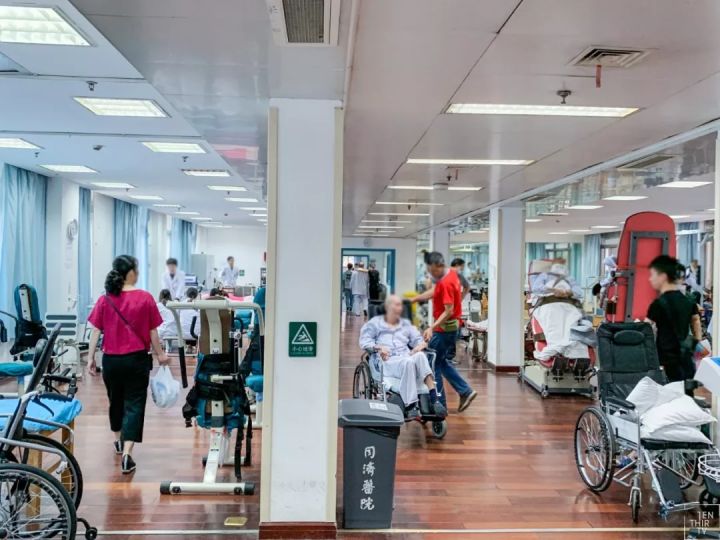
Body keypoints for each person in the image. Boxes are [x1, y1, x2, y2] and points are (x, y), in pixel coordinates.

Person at [87, 255, 170, 474]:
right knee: (134, 404)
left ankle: (117, 440)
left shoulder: (105, 299)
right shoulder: (145, 298)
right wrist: (161, 354)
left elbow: (95, 331)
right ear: (131, 272)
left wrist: (90, 358)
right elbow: (153, 332)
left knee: (115, 401)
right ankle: (127, 454)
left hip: (111, 361)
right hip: (136, 360)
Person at [359, 295, 446, 418]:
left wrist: (421, 344)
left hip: (405, 356)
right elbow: (364, 342)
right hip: (387, 361)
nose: (400, 308)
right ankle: (411, 404)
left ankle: (434, 399)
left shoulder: (405, 324)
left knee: (420, 356)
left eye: (400, 305)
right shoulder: (374, 324)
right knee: (408, 362)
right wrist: (378, 347)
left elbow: (417, 340)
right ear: (388, 307)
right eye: (396, 305)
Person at [411, 251, 477, 412]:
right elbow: (435, 291)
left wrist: (431, 327)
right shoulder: (451, 274)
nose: (431, 274)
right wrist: (415, 298)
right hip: (452, 328)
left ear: (439, 266)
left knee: (433, 364)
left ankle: (439, 405)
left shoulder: (446, 282)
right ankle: (465, 391)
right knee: (441, 361)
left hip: (443, 330)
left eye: (433, 271)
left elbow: (448, 311)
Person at [646, 255, 703, 383]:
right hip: (686, 355)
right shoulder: (689, 300)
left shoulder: (658, 304)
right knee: (686, 389)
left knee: (669, 389)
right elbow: (696, 320)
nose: (650, 279)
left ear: (663, 277)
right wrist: (697, 341)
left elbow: (646, 328)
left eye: (653, 275)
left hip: (666, 357)